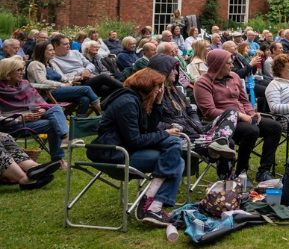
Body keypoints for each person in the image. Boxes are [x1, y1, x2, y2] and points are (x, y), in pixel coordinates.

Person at [88, 68, 184, 226]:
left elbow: (149, 129)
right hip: (115, 153)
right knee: (176, 160)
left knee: (174, 148)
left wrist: (158, 102)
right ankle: (153, 204)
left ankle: (152, 204)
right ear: (147, 86)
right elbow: (135, 140)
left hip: (127, 148)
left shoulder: (136, 99)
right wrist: (165, 133)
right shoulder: (127, 102)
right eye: (158, 87)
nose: (161, 90)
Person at [194, 49, 281, 183]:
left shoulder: (234, 76)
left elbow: (243, 100)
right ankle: (241, 171)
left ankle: (264, 171)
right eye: (228, 63)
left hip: (245, 116)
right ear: (218, 64)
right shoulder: (202, 82)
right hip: (223, 125)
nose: (232, 66)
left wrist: (251, 112)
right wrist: (240, 116)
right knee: (251, 130)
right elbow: (209, 112)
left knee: (274, 127)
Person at [150, 55, 238, 172]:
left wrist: (196, 123)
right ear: (163, 70)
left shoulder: (175, 91)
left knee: (231, 111)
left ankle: (219, 140)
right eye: (173, 69)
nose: (176, 73)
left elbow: (191, 111)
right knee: (230, 143)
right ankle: (226, 180)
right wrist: (172, 127)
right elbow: (150, 121)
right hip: (181, 137)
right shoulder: (153, 93)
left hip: (195, 129)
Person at [0, 56, 70, 165]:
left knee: (55, 108)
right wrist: (21, 118)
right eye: (18, 70)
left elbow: (40, 102)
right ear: (8, 74)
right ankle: (58, 159)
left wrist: (42, 109)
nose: (22, 73)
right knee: (52, 124)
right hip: (11, 125)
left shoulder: (24, 84)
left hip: (32, 117)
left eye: (22, 70)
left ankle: (65, 138)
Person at [27, 40, 102, 116]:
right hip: (48, 94)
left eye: (53, 49)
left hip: (59, 91)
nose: (53, 52)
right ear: (42, 51)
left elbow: (63, 78)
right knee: (86, 89)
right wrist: (62, 85)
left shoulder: (51, 63)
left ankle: (79, 123)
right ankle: (101, 111)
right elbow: (42, 82)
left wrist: (79, 77)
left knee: (85, 99)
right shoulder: (35, 64)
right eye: (50, 50)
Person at [49, 35, 123, 98]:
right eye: (65, 44)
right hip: (78, 84)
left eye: (69, 43)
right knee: (104, 77)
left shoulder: (75, 53)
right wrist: (80, 75)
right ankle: (128, 88)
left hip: (91, 79)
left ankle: (110, 102)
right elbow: (62, 78)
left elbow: (90, 64)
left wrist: (87, 70)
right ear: (55, 45)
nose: (68, 46)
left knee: (113, 88)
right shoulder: (53, 60)